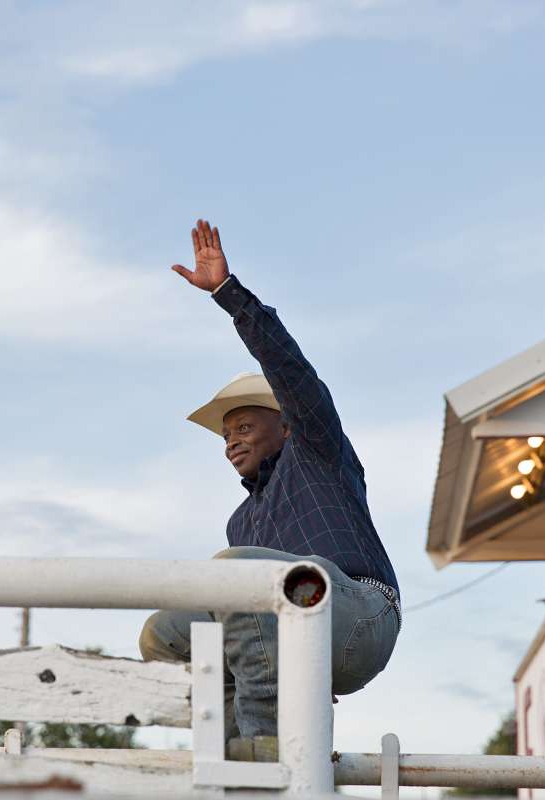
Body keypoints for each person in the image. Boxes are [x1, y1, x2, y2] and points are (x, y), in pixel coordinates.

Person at [138, 219, 401, 739]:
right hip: (293, 637)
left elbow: (292, 372)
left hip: (360, 615)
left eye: (242, 426)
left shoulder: (316, 451)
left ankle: (265, 748)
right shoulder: (242, 522)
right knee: (162, 632)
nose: (230, 440)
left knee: (236, 572)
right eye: (224, 434)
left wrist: (227, 293)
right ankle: (229, 749)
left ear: (284, 425)